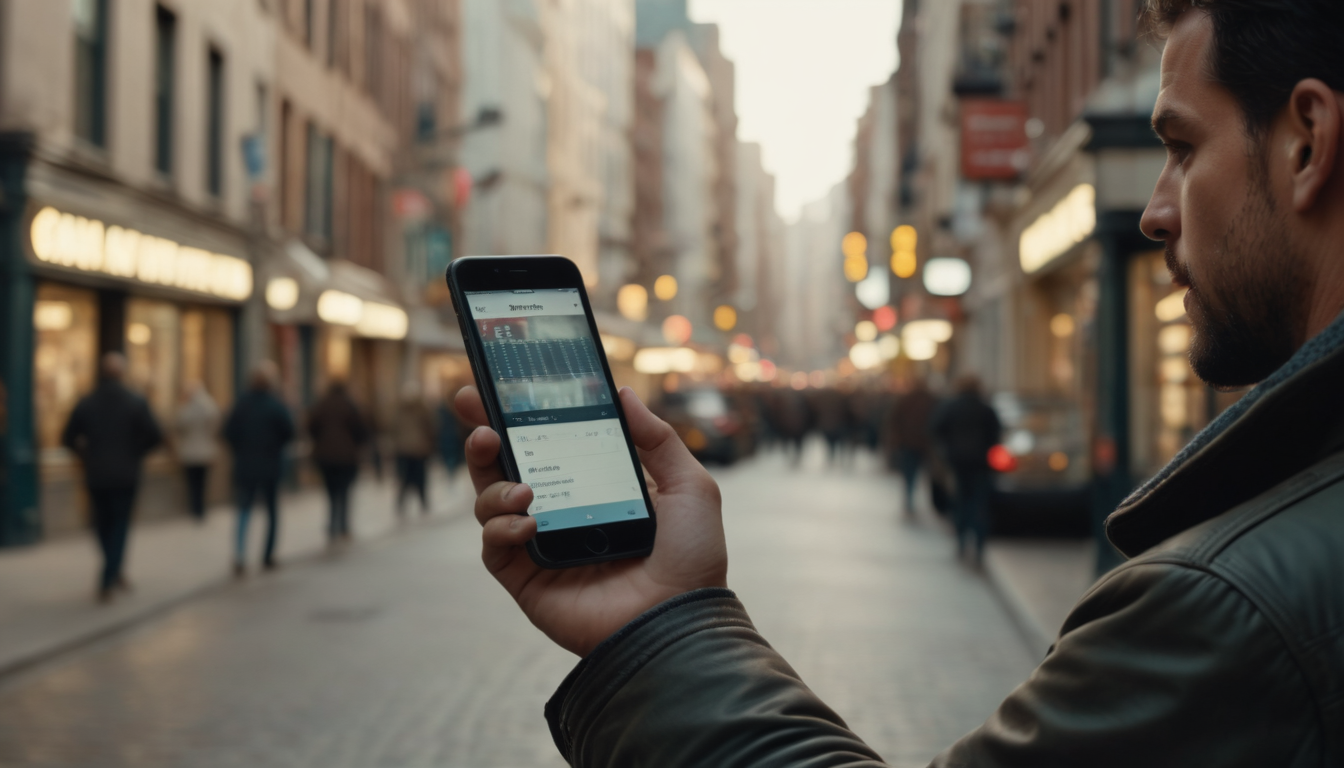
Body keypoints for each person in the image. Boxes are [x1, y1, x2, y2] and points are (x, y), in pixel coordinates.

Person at [458, 2, 1344, 763]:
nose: (1156, 209)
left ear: (1306, 141)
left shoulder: (1234, 611)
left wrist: (656, 623)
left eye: (1181, 148)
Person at [61, 352, 163, 603]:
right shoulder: (135, 402)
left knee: (102, 524)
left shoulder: (87, 402)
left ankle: (111, 570)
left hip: (97, 473)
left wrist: (85, 455)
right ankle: (111, 571)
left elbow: (67, 438)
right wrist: (136, 453)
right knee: (119, 524)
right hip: (125, 474)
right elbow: (156, 436)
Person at [222, 362, 294, 575]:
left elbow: (228, 432)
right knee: (271, 511)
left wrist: (240, 450)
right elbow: (289, 432)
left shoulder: (242, 404)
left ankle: (240, 555)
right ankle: (268, 555)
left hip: (246, 464)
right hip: (270, 465)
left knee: (244, 509)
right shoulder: (276, 405)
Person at [930, 375, 1002, 564]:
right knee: (979, 504)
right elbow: (995, 436)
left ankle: (961, 541)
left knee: (961, 501)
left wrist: (948, 450)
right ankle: (979, 547)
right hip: (980, 463)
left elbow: (936, 429)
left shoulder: (950, 407)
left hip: (958, 463)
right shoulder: (985, 409)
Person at [308, 381, 368, 542]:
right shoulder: (350, 405)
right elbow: (360, 430)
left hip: (326, 456)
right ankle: (343, 526)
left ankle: (332, 525)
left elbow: (311, 427)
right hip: (346, 457)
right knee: (344, 491)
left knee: (331, 492)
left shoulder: (322, 405)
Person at [886, 377, 938, 518]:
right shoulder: (931, 400)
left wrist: (896, 441)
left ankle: (909, 499)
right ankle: (917, 500)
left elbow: (895, 421)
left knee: (909, 474)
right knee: (926, 473)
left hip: (908, 443)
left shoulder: (905, 400)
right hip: (925, 444)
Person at [174, 381, 220, 522]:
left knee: (193, 483)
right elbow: (215, 425)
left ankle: (195, 509)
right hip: (205, 451)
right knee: (202, 483)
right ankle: (200, 509)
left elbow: (179, 424)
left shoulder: (187, 407)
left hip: (190, 452)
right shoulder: (209, 405)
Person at [393, 383, 437, 516]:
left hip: (404, 449)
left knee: (405, 479)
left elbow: (391, 428)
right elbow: (431, 427)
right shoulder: (421, 409)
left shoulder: (399, 410)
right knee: (420, 478)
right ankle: (423, 503)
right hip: (418, 449)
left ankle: (402, 504)